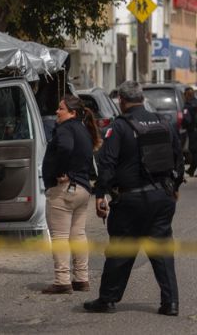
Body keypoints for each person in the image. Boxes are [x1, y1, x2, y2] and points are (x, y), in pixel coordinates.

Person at [84, 81, 183, 316]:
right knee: (162, 252)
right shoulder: (164, 122)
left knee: (120, 251)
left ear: (122, 101)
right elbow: (178, 158)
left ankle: (107, 299)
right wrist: (175, 186)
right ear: (142, 98)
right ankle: (171, 303)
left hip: (130, 201)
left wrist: (100, 194)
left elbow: (107, 163)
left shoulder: (119, 127)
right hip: (161, 197)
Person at [41, 95, 101, 294]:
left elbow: (65, 148)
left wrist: (59, 172)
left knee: (60, 236)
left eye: (61, 108)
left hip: (65, 190)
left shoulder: (65, 129)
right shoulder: (83, 129)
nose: (57, 112)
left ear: (72, 113)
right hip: (82, 189)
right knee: (78, 234)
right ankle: (82, 279)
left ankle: (62, 280)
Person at [182, 87, 197, 176]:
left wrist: (183, 125)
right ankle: (192, 169)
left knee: (194, 151)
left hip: (193, 131)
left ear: (187, 95)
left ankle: (191, 169)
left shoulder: (187, 106)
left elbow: (187, 120)